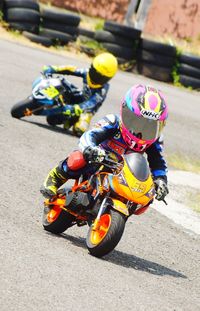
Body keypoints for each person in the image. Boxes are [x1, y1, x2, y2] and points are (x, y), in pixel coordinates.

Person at [40, 84, 169, 202]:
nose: (142, 130)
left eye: (150, 126)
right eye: (136, 121)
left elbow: (158, 162)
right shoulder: (113, 122)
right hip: (97, 163)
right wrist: (90, 149)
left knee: (147, 197)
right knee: (78, 158)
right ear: (125, 112)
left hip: (124, 177)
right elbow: (90, 135)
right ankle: (55, 177)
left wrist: (161, 180)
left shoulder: (155, 140)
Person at [41, 52, 118, 137]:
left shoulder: (103, 89)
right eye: (95, 73)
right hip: (80, 98)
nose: (96, 78)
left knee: (79, 129)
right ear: (91, 67)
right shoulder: (86, 73)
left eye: (101, 77)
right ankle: (53, 102)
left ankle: (72, 120)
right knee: (63, 84)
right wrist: (53, 68)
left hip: (87, 111)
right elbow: (71, 70)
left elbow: (92, 102)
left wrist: (77, 108)